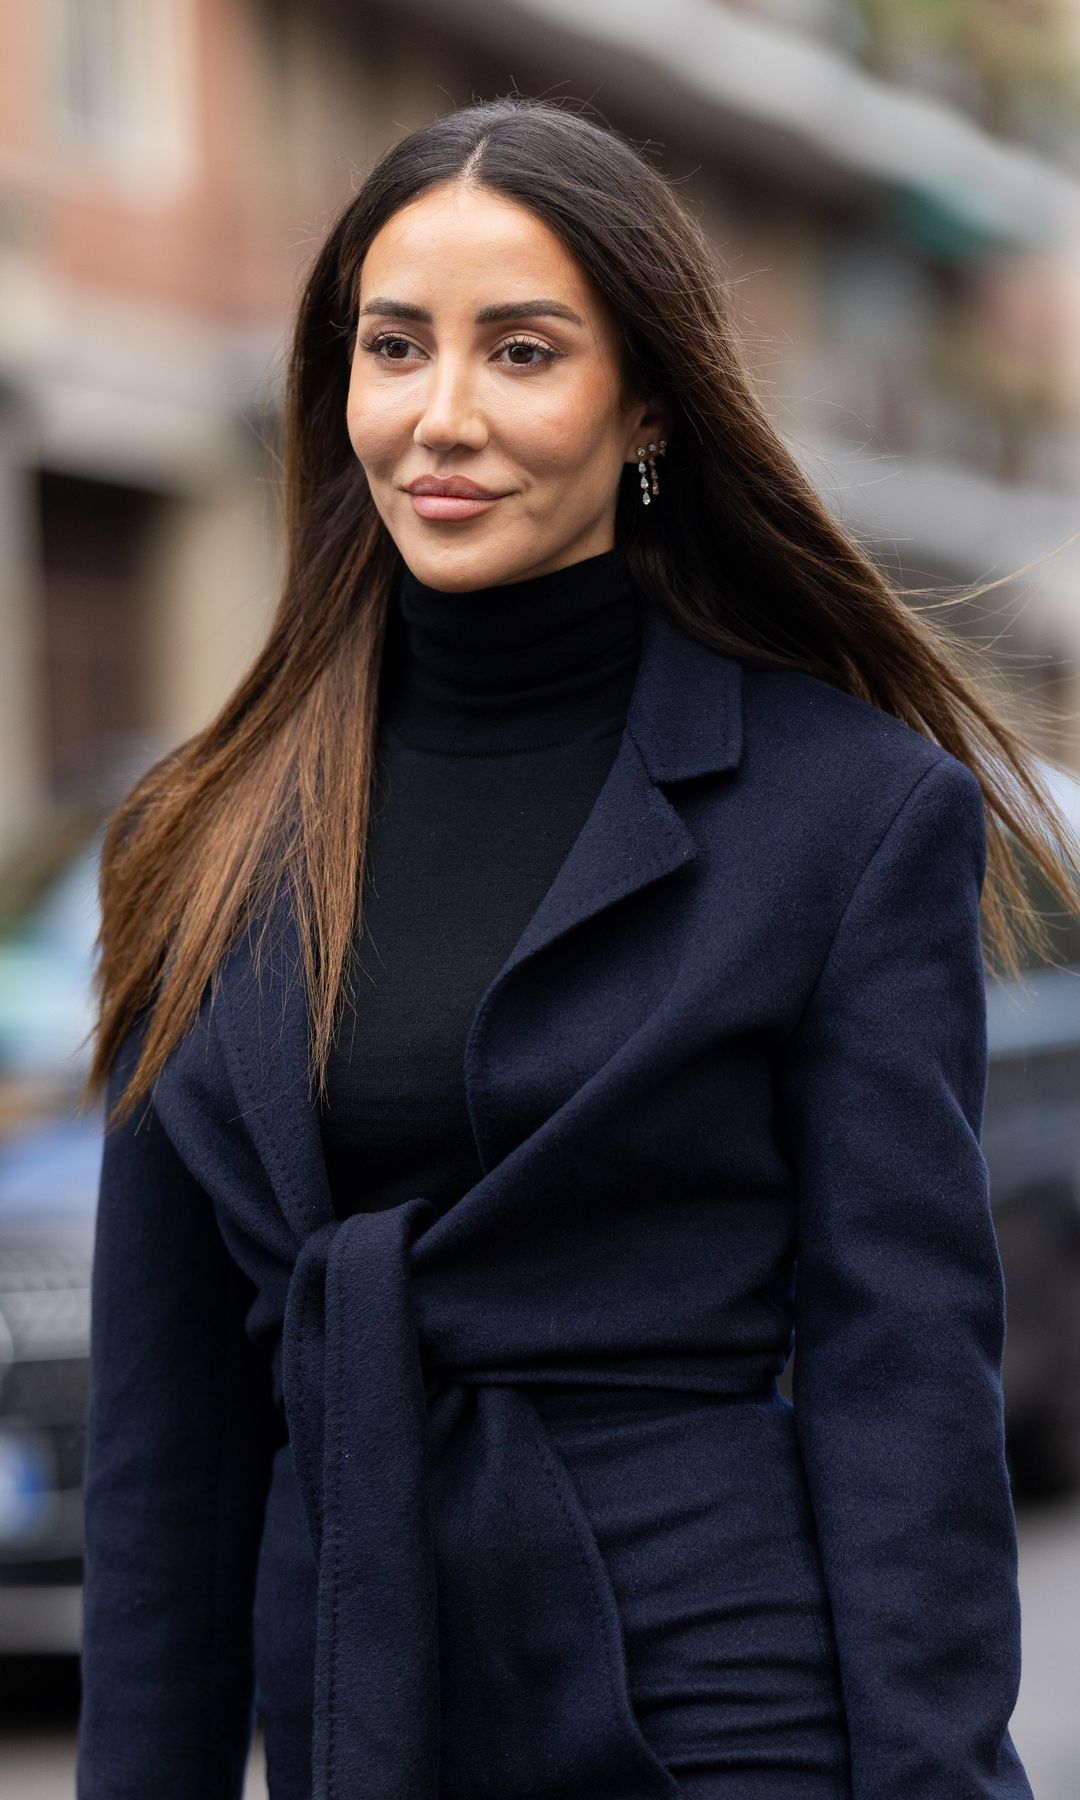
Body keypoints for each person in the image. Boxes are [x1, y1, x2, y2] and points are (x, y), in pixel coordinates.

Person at [74, 96, 1076, 1800]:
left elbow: (902, 1380)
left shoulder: (847, 812)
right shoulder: (198, 832)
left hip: (722, 1719)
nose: (442, 416)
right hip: (359, 1716)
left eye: (523, 352)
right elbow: (166, 1446)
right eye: (396, 347)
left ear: (648, 409)